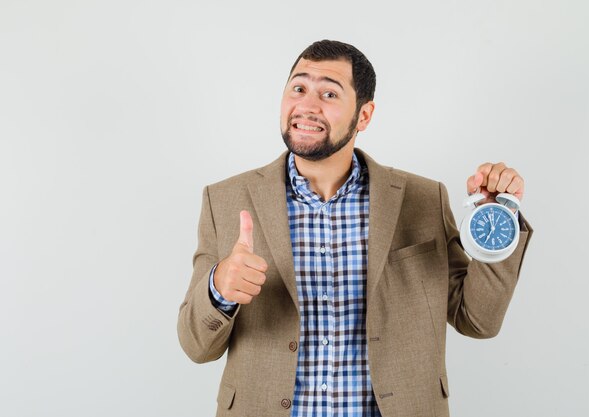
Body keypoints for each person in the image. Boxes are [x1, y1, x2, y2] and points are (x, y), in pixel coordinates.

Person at [177, 39, 533, 417]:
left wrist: (498, 222)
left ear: (364, 116)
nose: (307, 106)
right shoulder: (226, 200)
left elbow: (477, 320)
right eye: (298, 88)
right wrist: (219, 289)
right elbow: (196, 345)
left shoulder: (423, 199)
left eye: (329, 93)